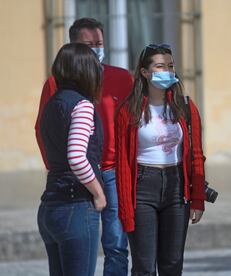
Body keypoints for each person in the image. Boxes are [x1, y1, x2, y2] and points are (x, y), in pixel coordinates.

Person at [34, 18, 132, 276]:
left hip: (61, 197)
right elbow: (76, 156)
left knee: (115, 245)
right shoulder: (78, 101)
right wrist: (97, 192)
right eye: (87, 47)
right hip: (81, 193)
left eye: (98, 44)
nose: (95, 53)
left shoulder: (61, 99)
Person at [115, 44, 206, 276]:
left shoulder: (185, 106)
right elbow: (123, 164)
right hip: (143, 187)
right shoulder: (129, 110)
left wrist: (197, 200)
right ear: (145, 72)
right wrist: (125, 208)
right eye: (160, 66)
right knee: (144, 265)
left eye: (171, 66)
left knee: (172, 264)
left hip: (176, 187)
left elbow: (196, 154)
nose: (167, 71)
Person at [37, 42, 106, 276]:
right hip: (75, 206)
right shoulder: (82, 105)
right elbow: (77, 157)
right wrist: (98, 193)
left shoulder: (52, 104)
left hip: (50, 207)